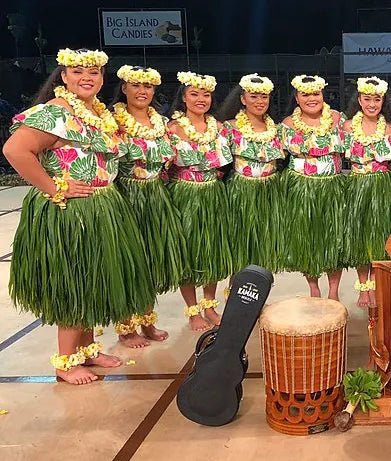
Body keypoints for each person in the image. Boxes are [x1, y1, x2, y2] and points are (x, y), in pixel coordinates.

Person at [3, 48, 155, 384]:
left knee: (93, 280)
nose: (87, 78)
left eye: (94, 72)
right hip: (72, 211)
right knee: (76, 281)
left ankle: (87, 350)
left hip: (101, 206)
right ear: (63, 76)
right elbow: (14, 149)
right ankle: (65, 362)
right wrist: (54, 186)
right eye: (78, 72)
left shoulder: (95, 113)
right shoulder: (57, 111)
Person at [112, 65, 188, 348]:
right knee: (128, 262)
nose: (142, 91)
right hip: (127, 196)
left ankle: (146, 321)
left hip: (156, 195)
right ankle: (126, 327)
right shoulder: (112, 121)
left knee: (150, 261)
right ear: (124, 88)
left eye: (148, 87)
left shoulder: (162, 123)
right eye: (136, 86)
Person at [167, 71, 233, 331]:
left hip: (212, 193)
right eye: (194, 94)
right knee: (189, 252)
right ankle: (193, 311)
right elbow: (166, 166)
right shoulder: (172, 129)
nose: (201, 99)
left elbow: (224, 165)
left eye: (205, 94)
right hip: (185, 194)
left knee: (212, 250)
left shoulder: (217, 128)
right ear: (183, 97)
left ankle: (210, 305)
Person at [280, 75, 346, 299]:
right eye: (305, 94)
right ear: (297, 98)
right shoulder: (287, 125)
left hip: (332, 187)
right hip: (302, 187)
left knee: (333, 237)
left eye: (315, 93)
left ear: (323, 95)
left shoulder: (337, 119)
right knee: (307, 238)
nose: (311, 98)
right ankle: (313, 288)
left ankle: (334, 292)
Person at [217, 73, 284, 275]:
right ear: (242, 99)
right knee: (241, 247)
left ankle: (259, 294)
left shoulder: (276, 129)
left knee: (265, 247)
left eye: (264, 96)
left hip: (271, 192)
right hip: (241, 193)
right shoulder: (229, 128)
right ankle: (236, 297)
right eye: (253, 96)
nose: (260, 101)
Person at [342, 76, 391, 308]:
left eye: (377, 99)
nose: (372, 104)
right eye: (367, 99)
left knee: (379, 236)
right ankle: (362, 286)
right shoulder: (346, 127)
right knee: (360, 238)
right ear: (360, 100)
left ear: (383, 101)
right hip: (356, 184)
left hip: (382, 186)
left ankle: (375, 284)